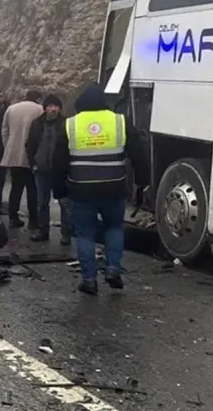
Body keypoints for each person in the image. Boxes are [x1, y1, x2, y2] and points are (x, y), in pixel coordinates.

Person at [52, 83, 150, 295]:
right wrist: (143, 181)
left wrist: (59, 191)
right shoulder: (120, 121)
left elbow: (58, 162)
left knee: (85, 234)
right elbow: (138, 153)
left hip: (81, 191)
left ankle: (89, 280)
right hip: (114, 187)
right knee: (114, 228)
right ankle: (113, 269)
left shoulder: (70, 124)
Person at [25, 93, 72, 245]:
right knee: (42, 202)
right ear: (45, 108)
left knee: (64, 203)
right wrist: (33, 164)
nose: (53, 109)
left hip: (60, 170)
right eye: (50, 106)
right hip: (41, 169)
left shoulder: (66, 124)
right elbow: (30, 145)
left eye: (56, 106)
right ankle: (42, 230)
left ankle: (66, 234)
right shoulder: (37, 124)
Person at [1, 90, 43, 229]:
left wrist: (8, 146)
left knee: (16, 187)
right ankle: (33, 221)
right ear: (38, 98)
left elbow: (4, 130)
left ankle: (13, 218)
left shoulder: (11, 109)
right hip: (33, 155)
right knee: (32, 188)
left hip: (14, 153)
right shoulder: (40, 109)